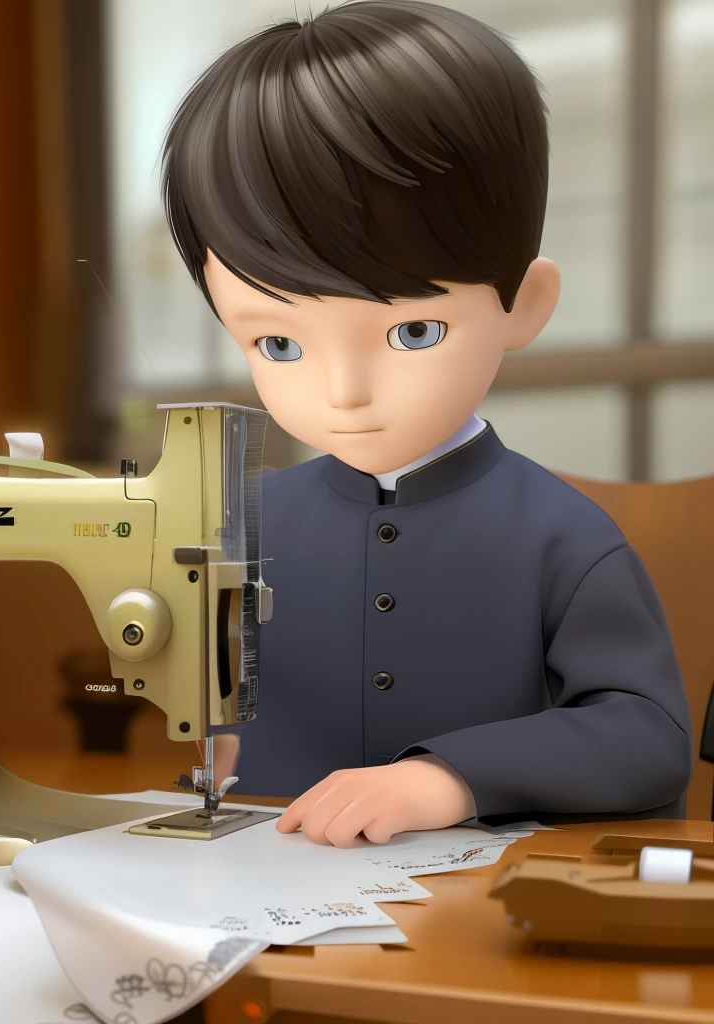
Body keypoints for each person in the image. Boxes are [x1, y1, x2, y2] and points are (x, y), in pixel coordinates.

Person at [161, 0, 692, 846]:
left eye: (412, 332)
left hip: (472, 893)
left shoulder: (562, 539)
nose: (345, 393)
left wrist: (445, 778)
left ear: (525, 304)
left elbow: (648, 737)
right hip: (266, 871)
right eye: (278, 342)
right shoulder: (246, 523)